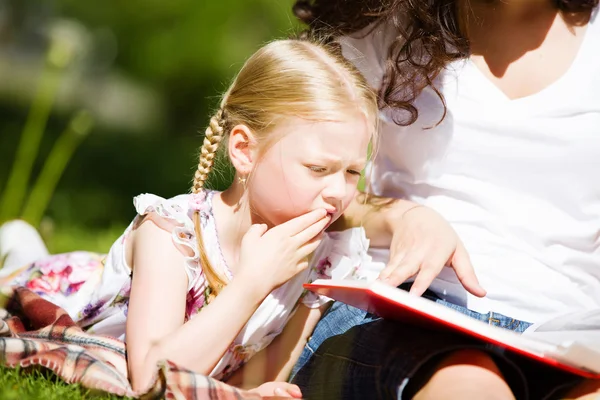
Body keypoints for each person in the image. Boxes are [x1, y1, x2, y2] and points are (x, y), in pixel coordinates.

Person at [0, 37, 381, 397]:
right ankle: (23, 253)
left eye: (351, 172)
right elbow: (152, 377)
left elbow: (259, 374)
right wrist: (251, 283)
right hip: (76, 297)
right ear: (245, 151)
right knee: (20, 283)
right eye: (318, 169)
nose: (340, 191)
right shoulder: (171, 234)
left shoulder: (325, 260)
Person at [290, 0, 600, 399]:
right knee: (471, 384)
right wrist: (402, 218)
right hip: (408, 309)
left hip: (566, 335)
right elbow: (302, 188)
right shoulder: (384, 24)